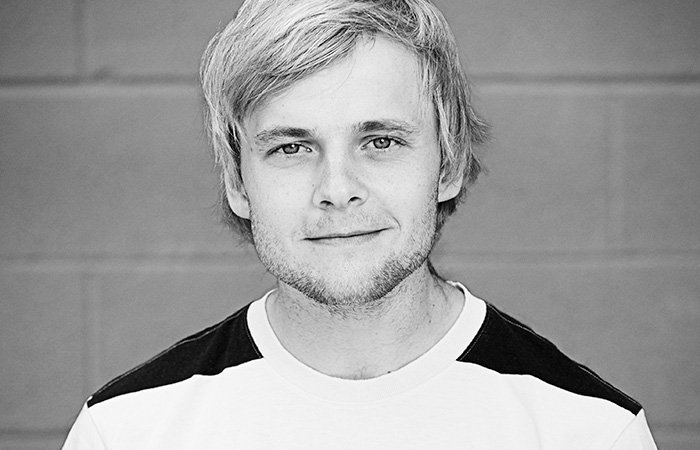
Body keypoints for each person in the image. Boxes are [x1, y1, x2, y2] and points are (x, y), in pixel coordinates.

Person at [63, 0, 658, 448]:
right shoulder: (127, 431)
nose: (337, 189)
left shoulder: (588, 431)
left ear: (449, 164)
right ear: (238, 184)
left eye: (380, 141)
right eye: (292, 148)